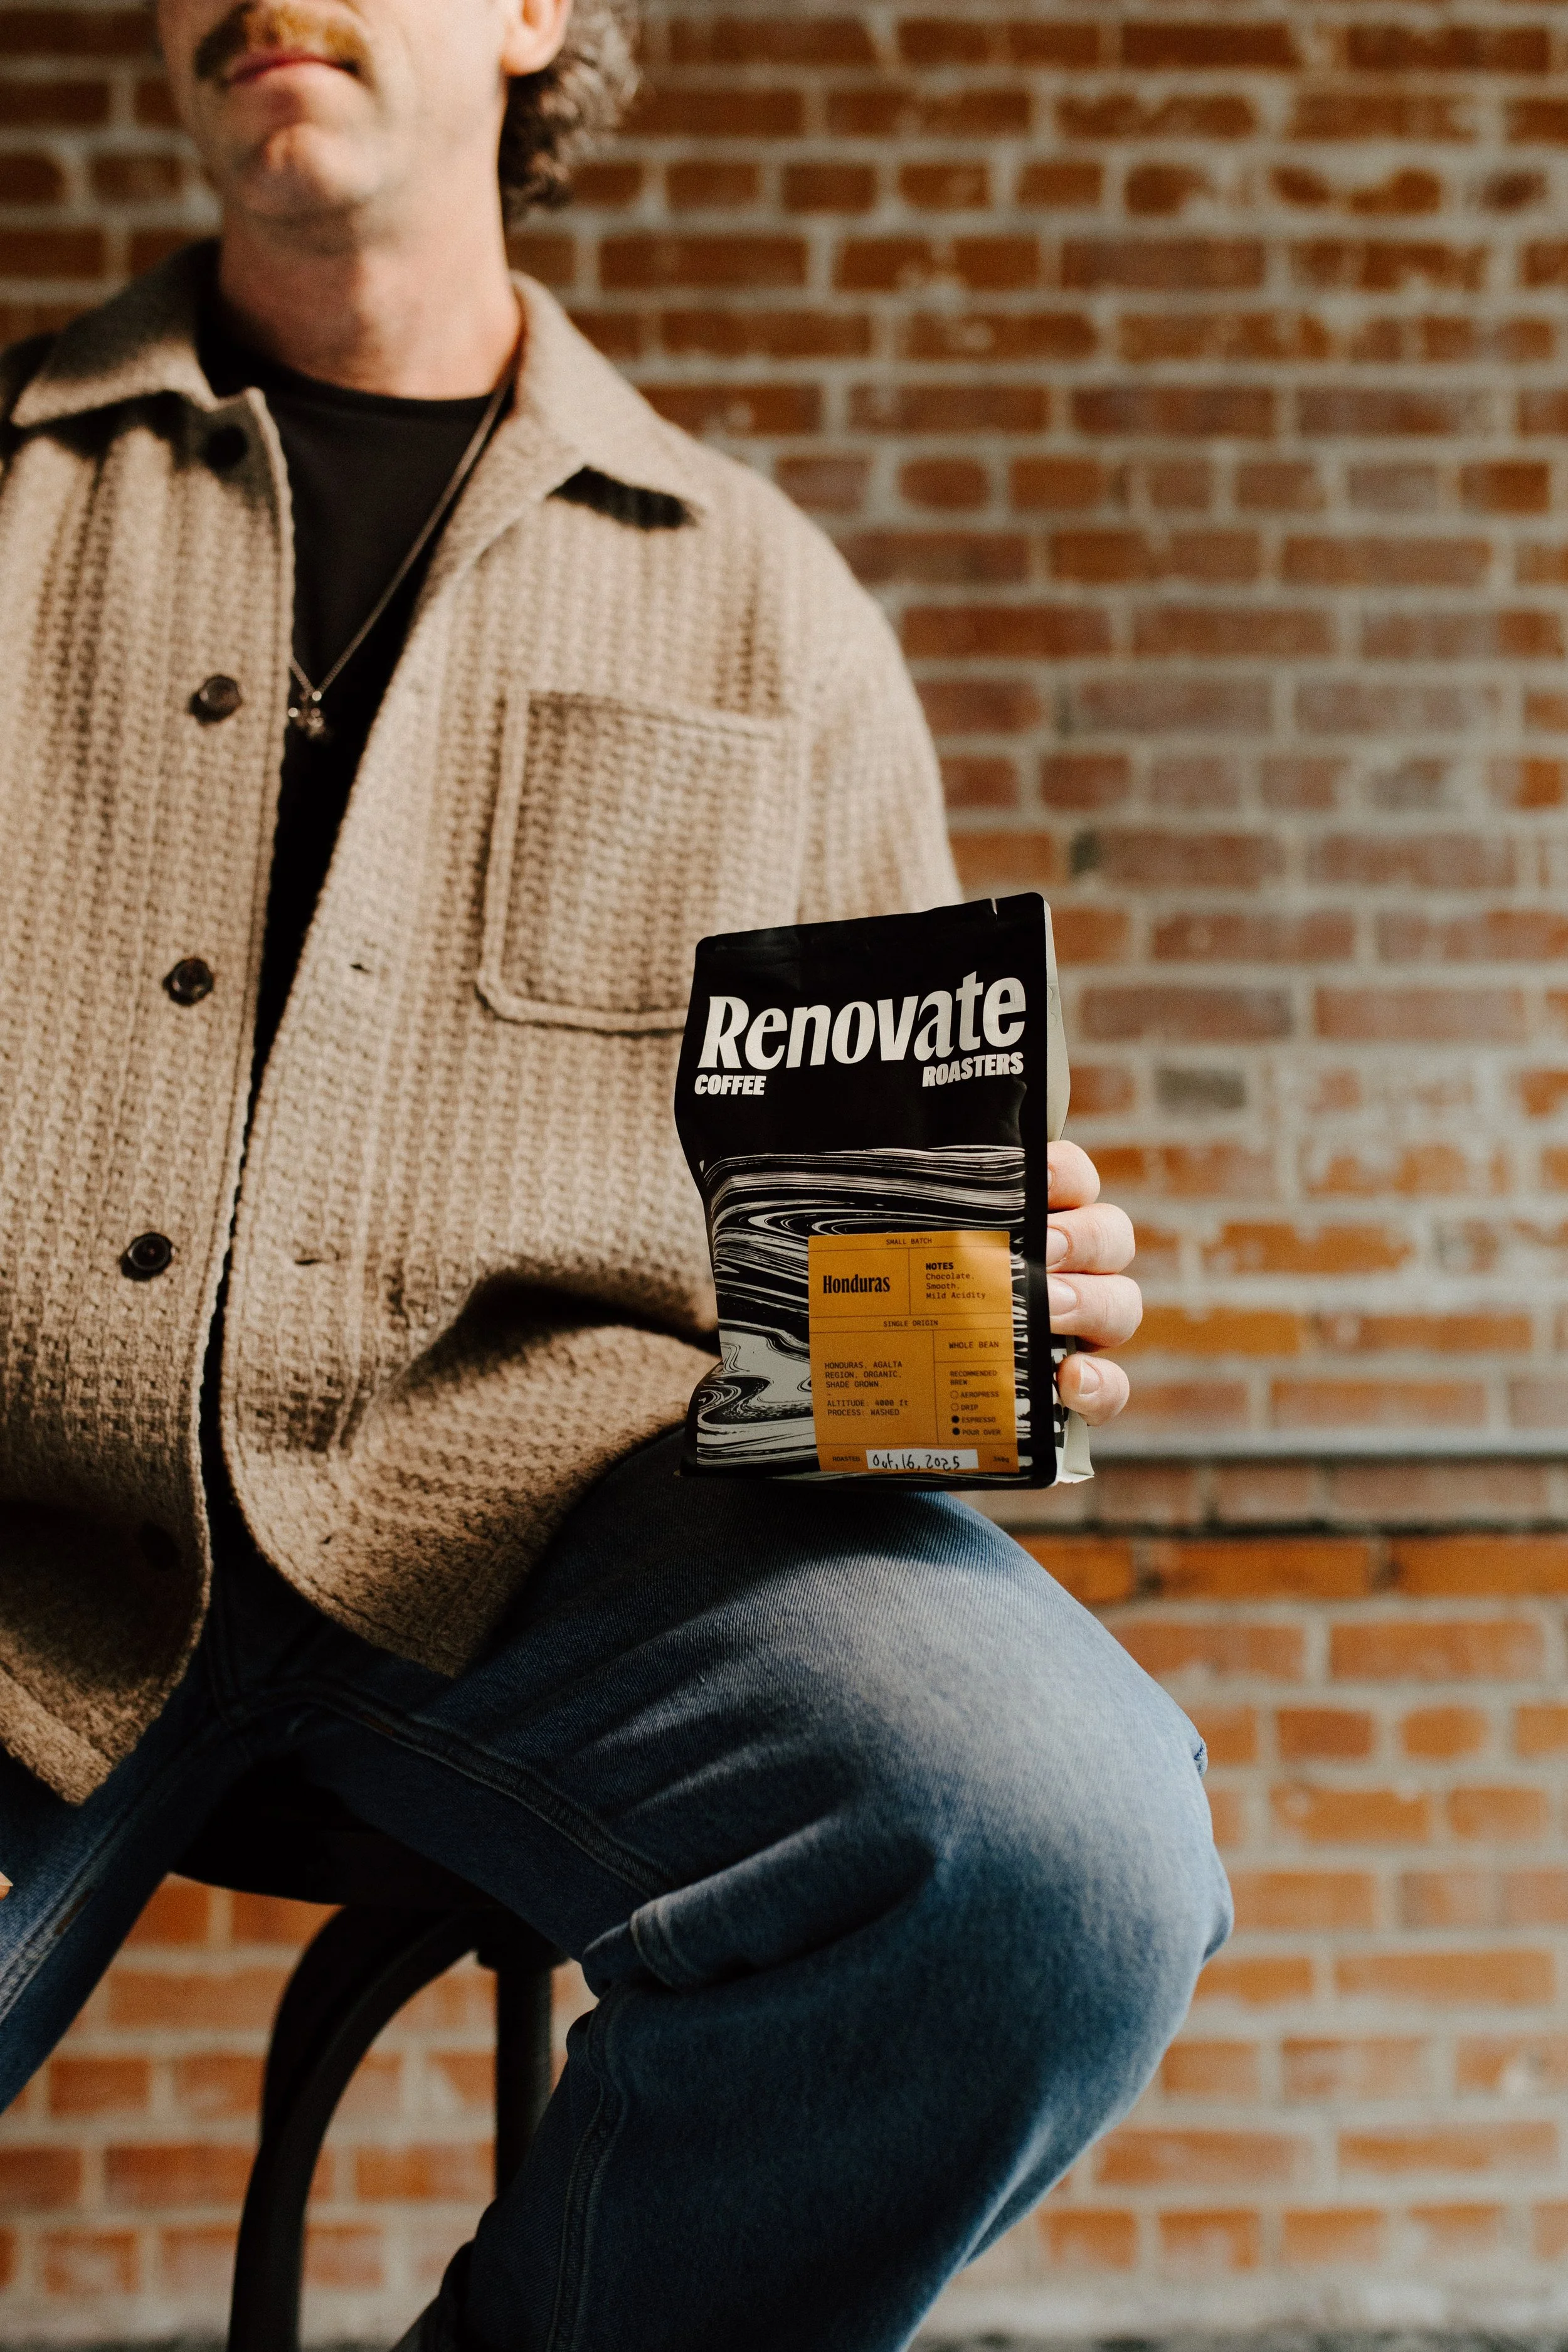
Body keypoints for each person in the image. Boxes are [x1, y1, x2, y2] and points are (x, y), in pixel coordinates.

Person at [0, 3, 1231, 2347]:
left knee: (1051, 1846)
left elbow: (876, 1285)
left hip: (562, 1527)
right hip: (19, 1509)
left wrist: (982, 1314)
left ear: (537, 15)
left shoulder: (764, 606)